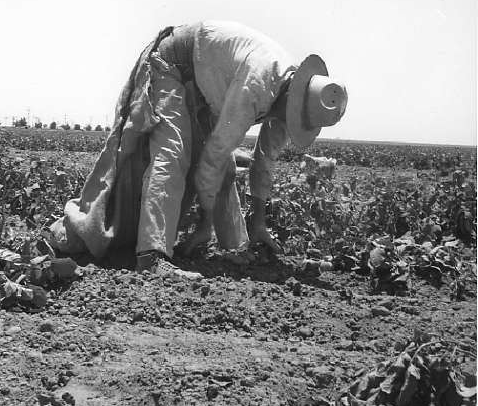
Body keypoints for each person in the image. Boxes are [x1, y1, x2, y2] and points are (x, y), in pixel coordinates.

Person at [49, 21, 348, 268]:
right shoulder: (258, 82)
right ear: (292, 98)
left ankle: (238, 248)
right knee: (173, 152)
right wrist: (204, 225)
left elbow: (264, 161)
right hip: (171, 64)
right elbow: (216, 153)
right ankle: (152, 257)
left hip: (204, 86)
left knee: (226, 168)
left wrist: (259, 221)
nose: (288, 121)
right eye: (292, 116)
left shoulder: (290, 99)